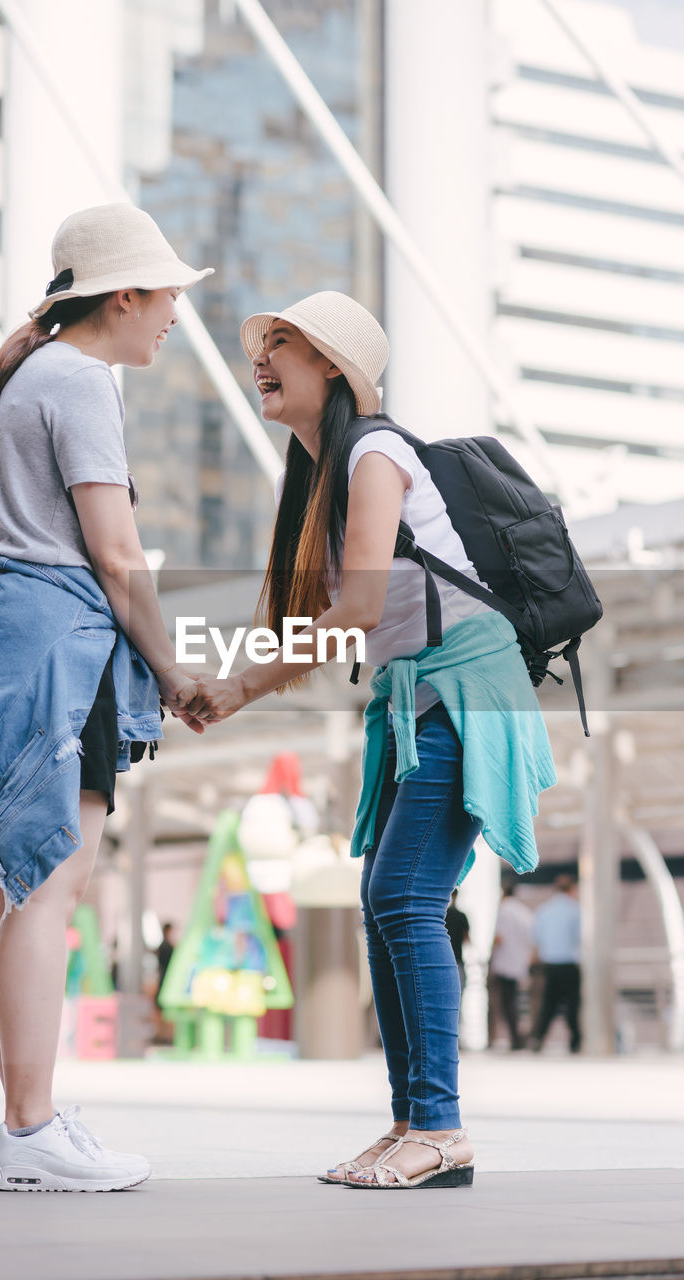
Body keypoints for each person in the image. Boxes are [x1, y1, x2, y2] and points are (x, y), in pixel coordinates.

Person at [184, 291, 557, 1190]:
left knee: (403, 898)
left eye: (285, 345)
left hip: (469, 692)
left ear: (336, 370)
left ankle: (441, 1128)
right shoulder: (321, 474)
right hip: (416, 699)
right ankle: (410, 1124)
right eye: (262, 345)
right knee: (386, 904)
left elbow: (352, 610)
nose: (263, 358)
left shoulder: (376, 450)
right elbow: (344, 618)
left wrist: (237, 686)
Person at [0, 202, 212, 1191]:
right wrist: (172, 672)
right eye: (165, 297)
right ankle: (31, 1131)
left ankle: (22, 1120)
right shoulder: (81, 380)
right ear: (123, 295)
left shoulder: (31, 373)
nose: (171, 315)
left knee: (8, 891)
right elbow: (118, 557)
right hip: (55, 650)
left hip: (1, 636)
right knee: (47, 886)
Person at [529, 874, 582, 1054]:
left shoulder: (544, 910)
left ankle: (538, 1038)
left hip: (549, 965)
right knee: (572, 1005)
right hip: (569, 964)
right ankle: (575, 1042)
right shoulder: (576, 910)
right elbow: (580, 939)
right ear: (571, 889)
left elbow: (537, 940)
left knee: (548, 1005)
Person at [489, 881, 534, 1050]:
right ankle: (519, 1037)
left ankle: (516, 1038)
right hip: (519, 964)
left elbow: (499, 937)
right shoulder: (523, 912)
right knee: (515, 1002)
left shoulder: (505, 910)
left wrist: (490, 952)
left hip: (505, 964)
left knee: (507, 1004)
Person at [445, 890, 470, 992]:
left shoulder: (443, 915)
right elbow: (467, 939)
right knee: (459, 992)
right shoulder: (462, 916)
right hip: (458, 959)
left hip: (445, 960)